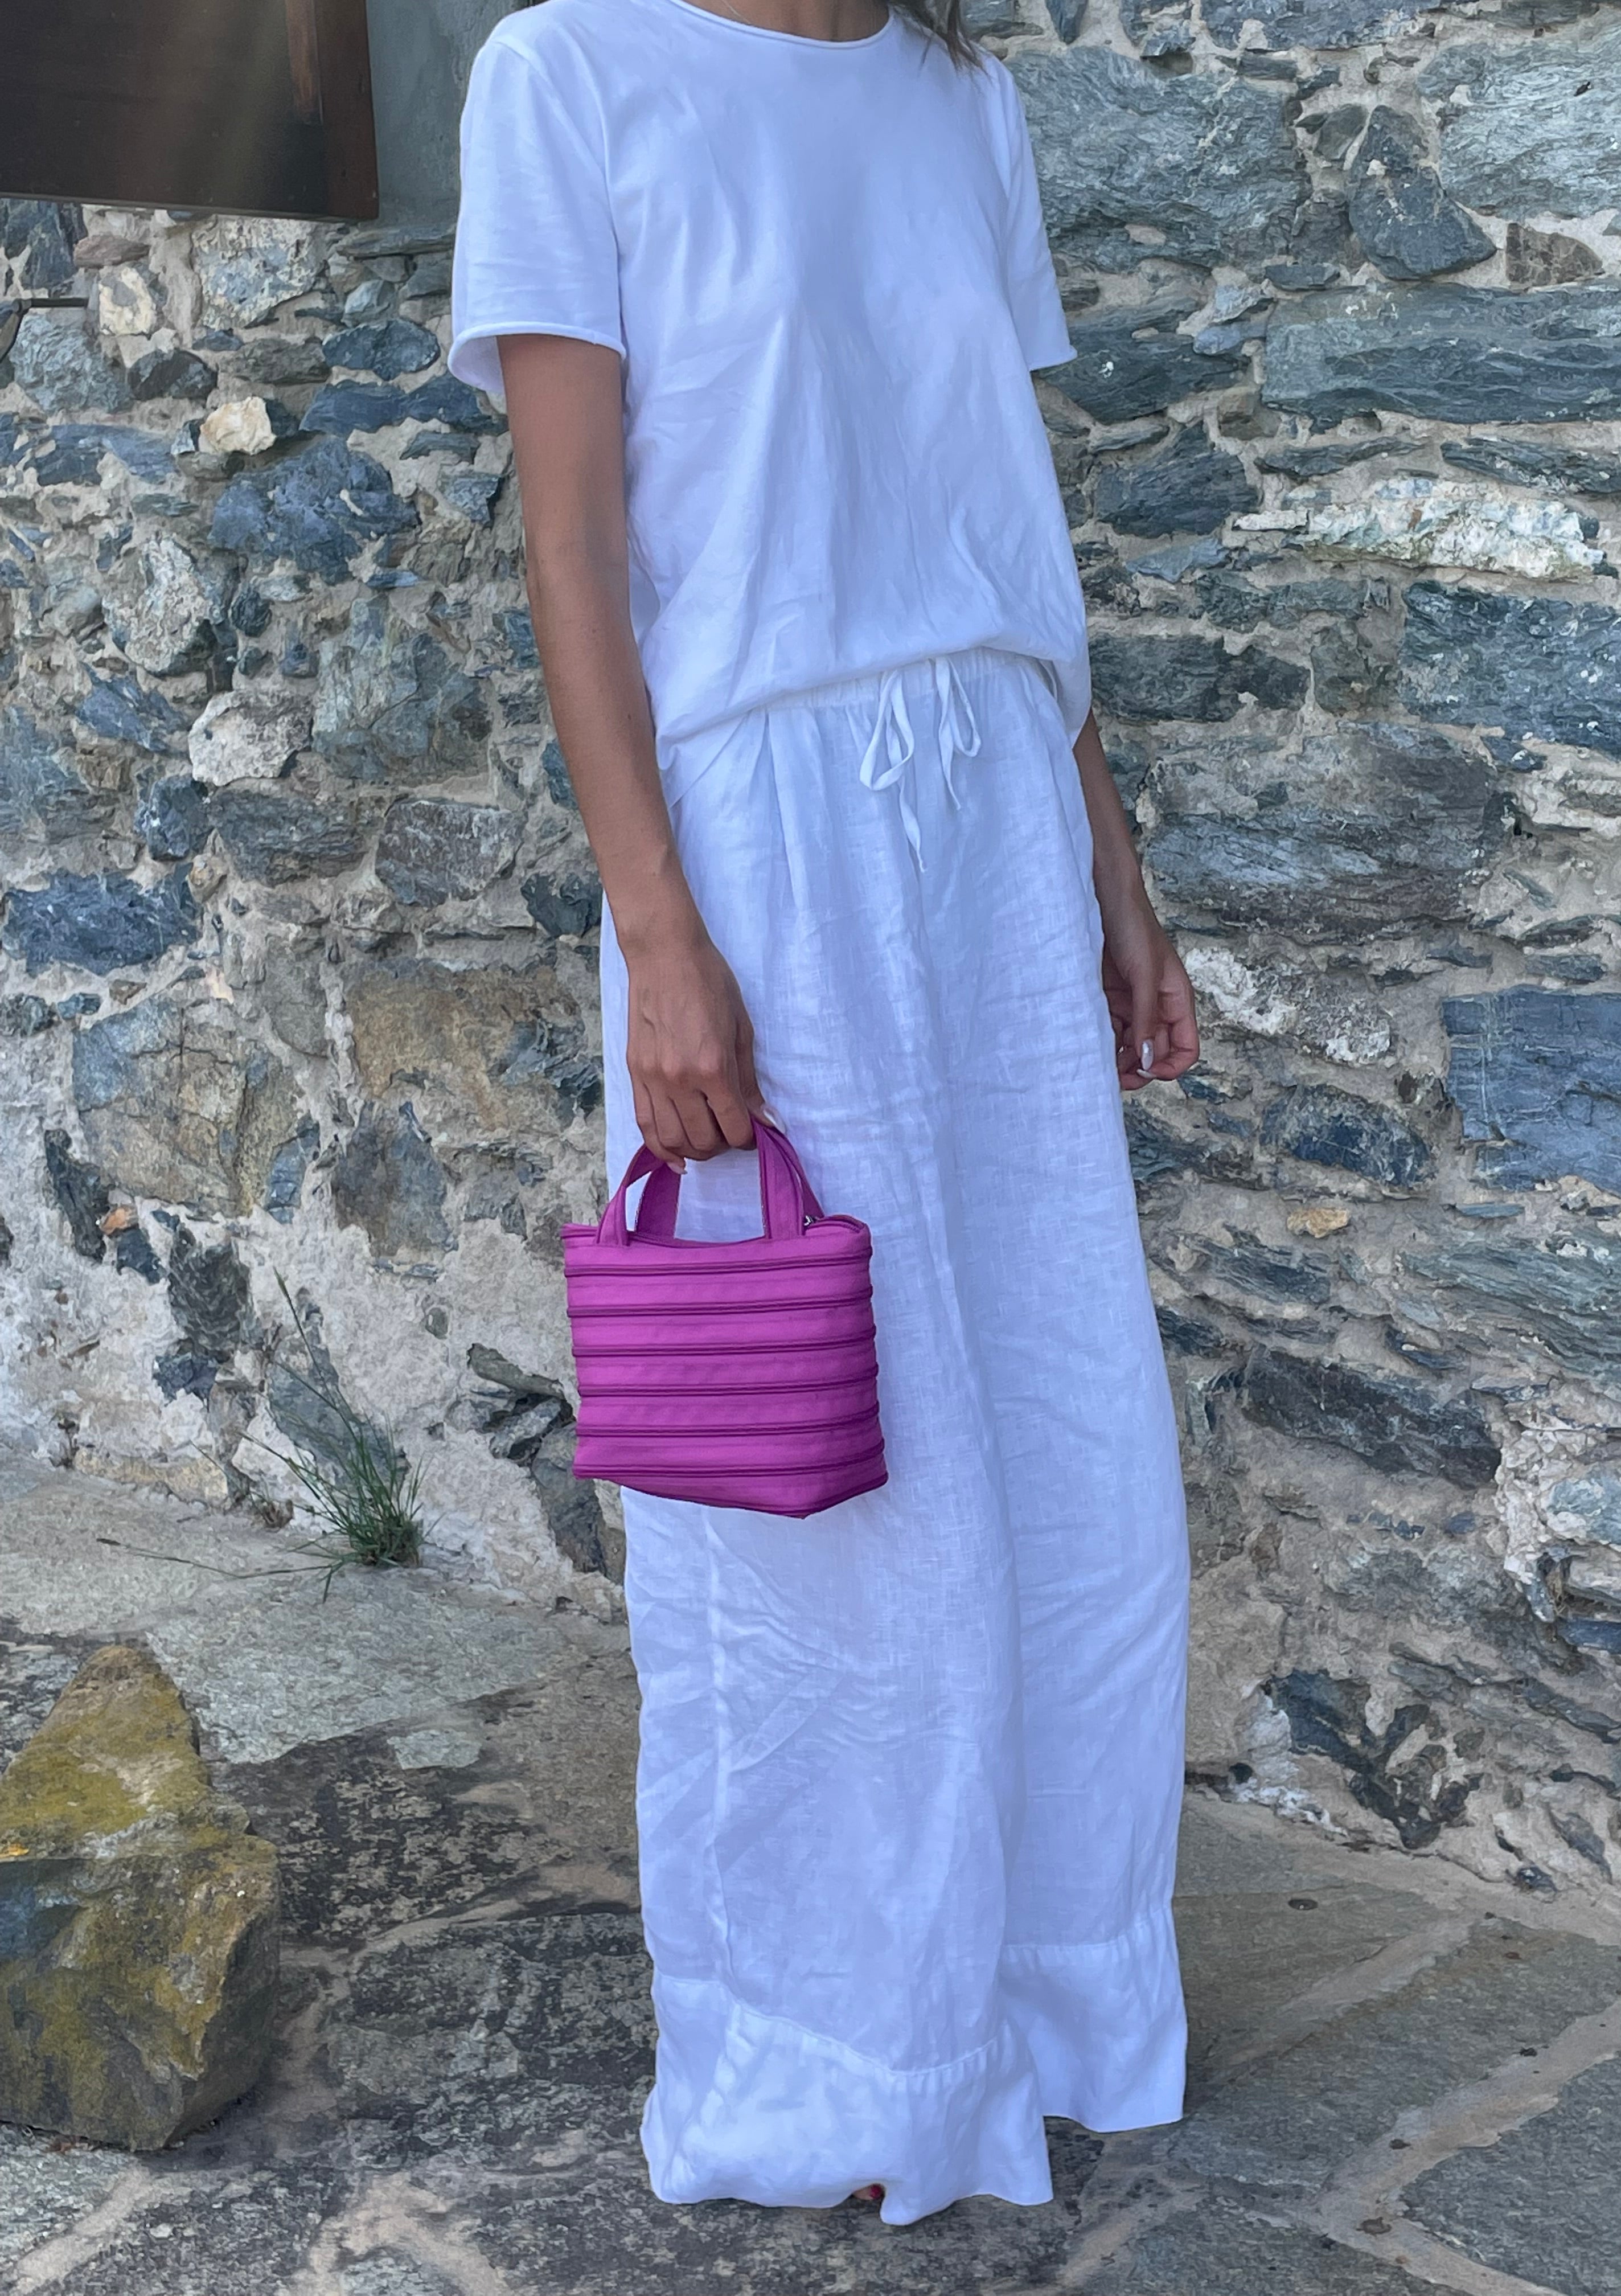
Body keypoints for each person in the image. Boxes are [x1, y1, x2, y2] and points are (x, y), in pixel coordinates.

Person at [451, 0, 1196, 2228]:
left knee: (1062, 1447)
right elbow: (574, 552)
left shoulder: (962, 95)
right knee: (830, 1482)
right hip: (765, 842)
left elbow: (1004, 522)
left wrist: (1115, 872)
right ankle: (851, 2041)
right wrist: (658, 931)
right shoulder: (571, 72)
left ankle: (1051, 1993)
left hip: (993, 817)